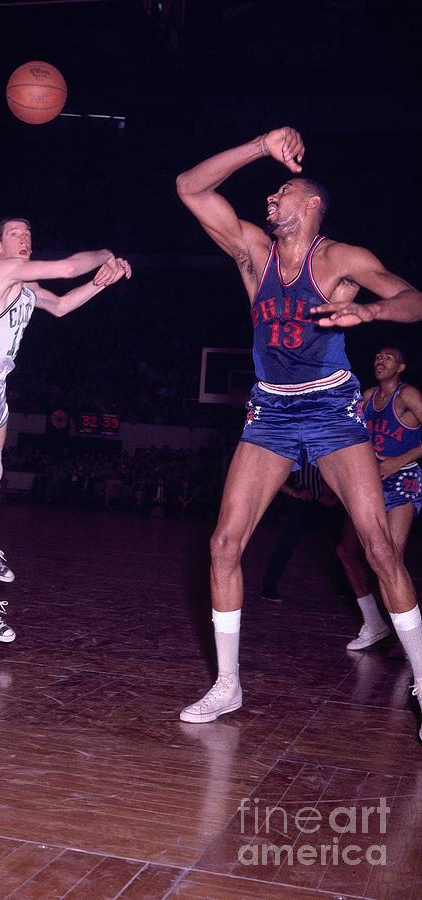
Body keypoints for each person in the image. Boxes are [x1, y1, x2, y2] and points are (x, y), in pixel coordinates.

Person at [175, 127, 422, 740]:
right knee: (224, 542)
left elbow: (414, 299)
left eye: (281, 192)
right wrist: (260, 147)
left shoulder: (341, 259)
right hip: (272, 410)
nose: (269, 200)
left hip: (334, 408)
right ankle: (228, 685)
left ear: (311, 205)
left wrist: (368, 311)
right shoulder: (252, 252)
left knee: (378, 544)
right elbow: (189, 186)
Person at [0, 217, 130, 643]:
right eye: (14, 233)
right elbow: (65, 268)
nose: (23, 238)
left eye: (27, 233)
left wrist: (103, 281)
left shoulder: (24, 288)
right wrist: (106, 255)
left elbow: (61, 305)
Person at [337, 346, 422, 650]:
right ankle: (373, 623)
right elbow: (348, 432)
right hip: (369, 482)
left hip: (403, 478)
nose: (379, 360)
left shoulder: (408, 395)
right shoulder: (368, 395)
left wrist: (398, 460)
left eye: (387, 357)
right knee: (347, 551)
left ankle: (410, 639)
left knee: (391, 557)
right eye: (376, 357)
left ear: (401, 366)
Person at [258, 460, 343, 603]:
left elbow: (341, 475)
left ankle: (346, 589)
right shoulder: (299, 450)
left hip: (326, 502)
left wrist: (334, 498)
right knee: (288, 542)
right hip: (304, 501)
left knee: (344, 545)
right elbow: (272, 475)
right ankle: (269, 587)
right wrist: (295, 493)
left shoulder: (330, 447)